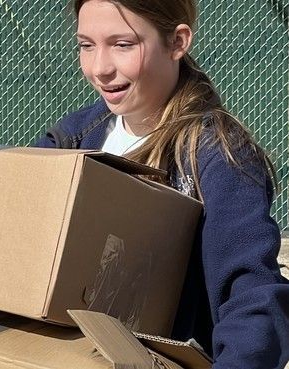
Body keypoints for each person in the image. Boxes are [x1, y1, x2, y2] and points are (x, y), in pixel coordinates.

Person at [34, 1, 289, 368]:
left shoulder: (217, 158)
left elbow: (253, 296)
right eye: (86, 45)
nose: (99, 68)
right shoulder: (71, 139)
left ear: (177, 42)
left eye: (123, 44)